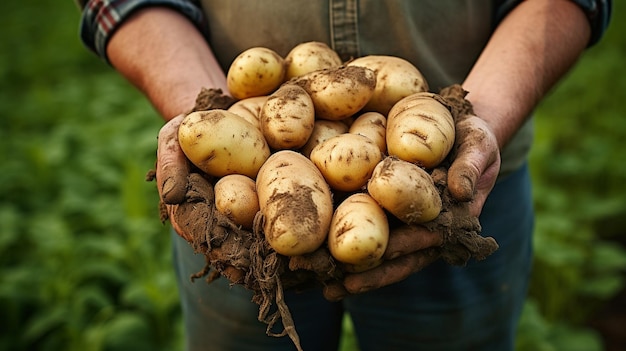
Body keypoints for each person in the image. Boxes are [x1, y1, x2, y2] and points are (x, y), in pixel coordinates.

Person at [77, 1, 611, 350]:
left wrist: (488, 113)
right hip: (243, 231)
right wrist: (197, 104)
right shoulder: (269, 123)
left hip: (466, 181)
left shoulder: (385, 124)